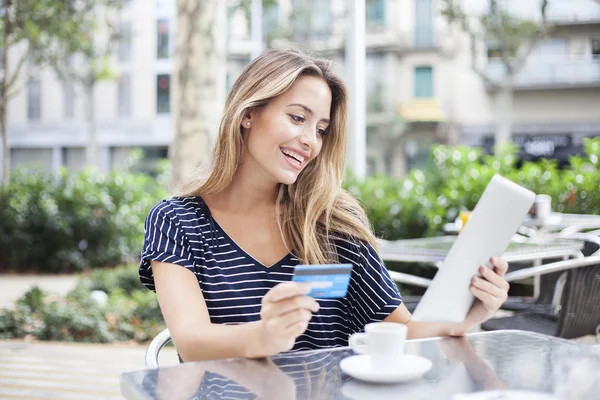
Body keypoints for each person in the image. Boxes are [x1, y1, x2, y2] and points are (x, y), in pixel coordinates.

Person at [139, 48, 510, 363]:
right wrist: (266, 337)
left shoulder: (334, 226)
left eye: (320, 130)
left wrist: (464, 319)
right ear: (248, 113)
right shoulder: (177, 221)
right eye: (297, 118)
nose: (309, 141)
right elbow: (191, 340)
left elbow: (402, 331)